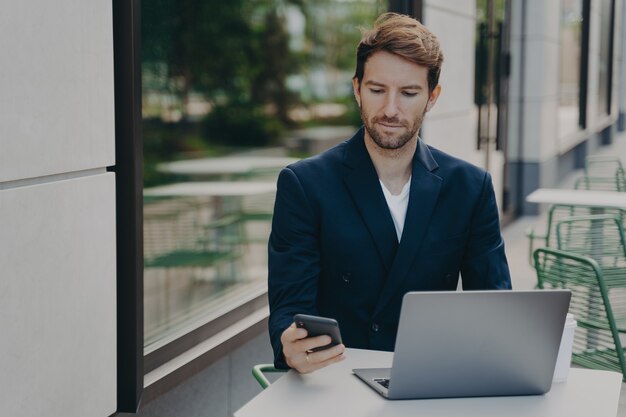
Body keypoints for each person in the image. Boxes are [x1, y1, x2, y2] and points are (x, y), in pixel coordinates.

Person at [268, 12, 511, 373]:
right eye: (377, 90)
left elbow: (496, 309)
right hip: (336, 382)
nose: (390, 110)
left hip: (431, 380)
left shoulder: (470, 188)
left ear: (432, 97)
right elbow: (290, 307)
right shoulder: (304, 184)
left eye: (409, 93)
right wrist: (290, 346)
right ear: (356, 89)